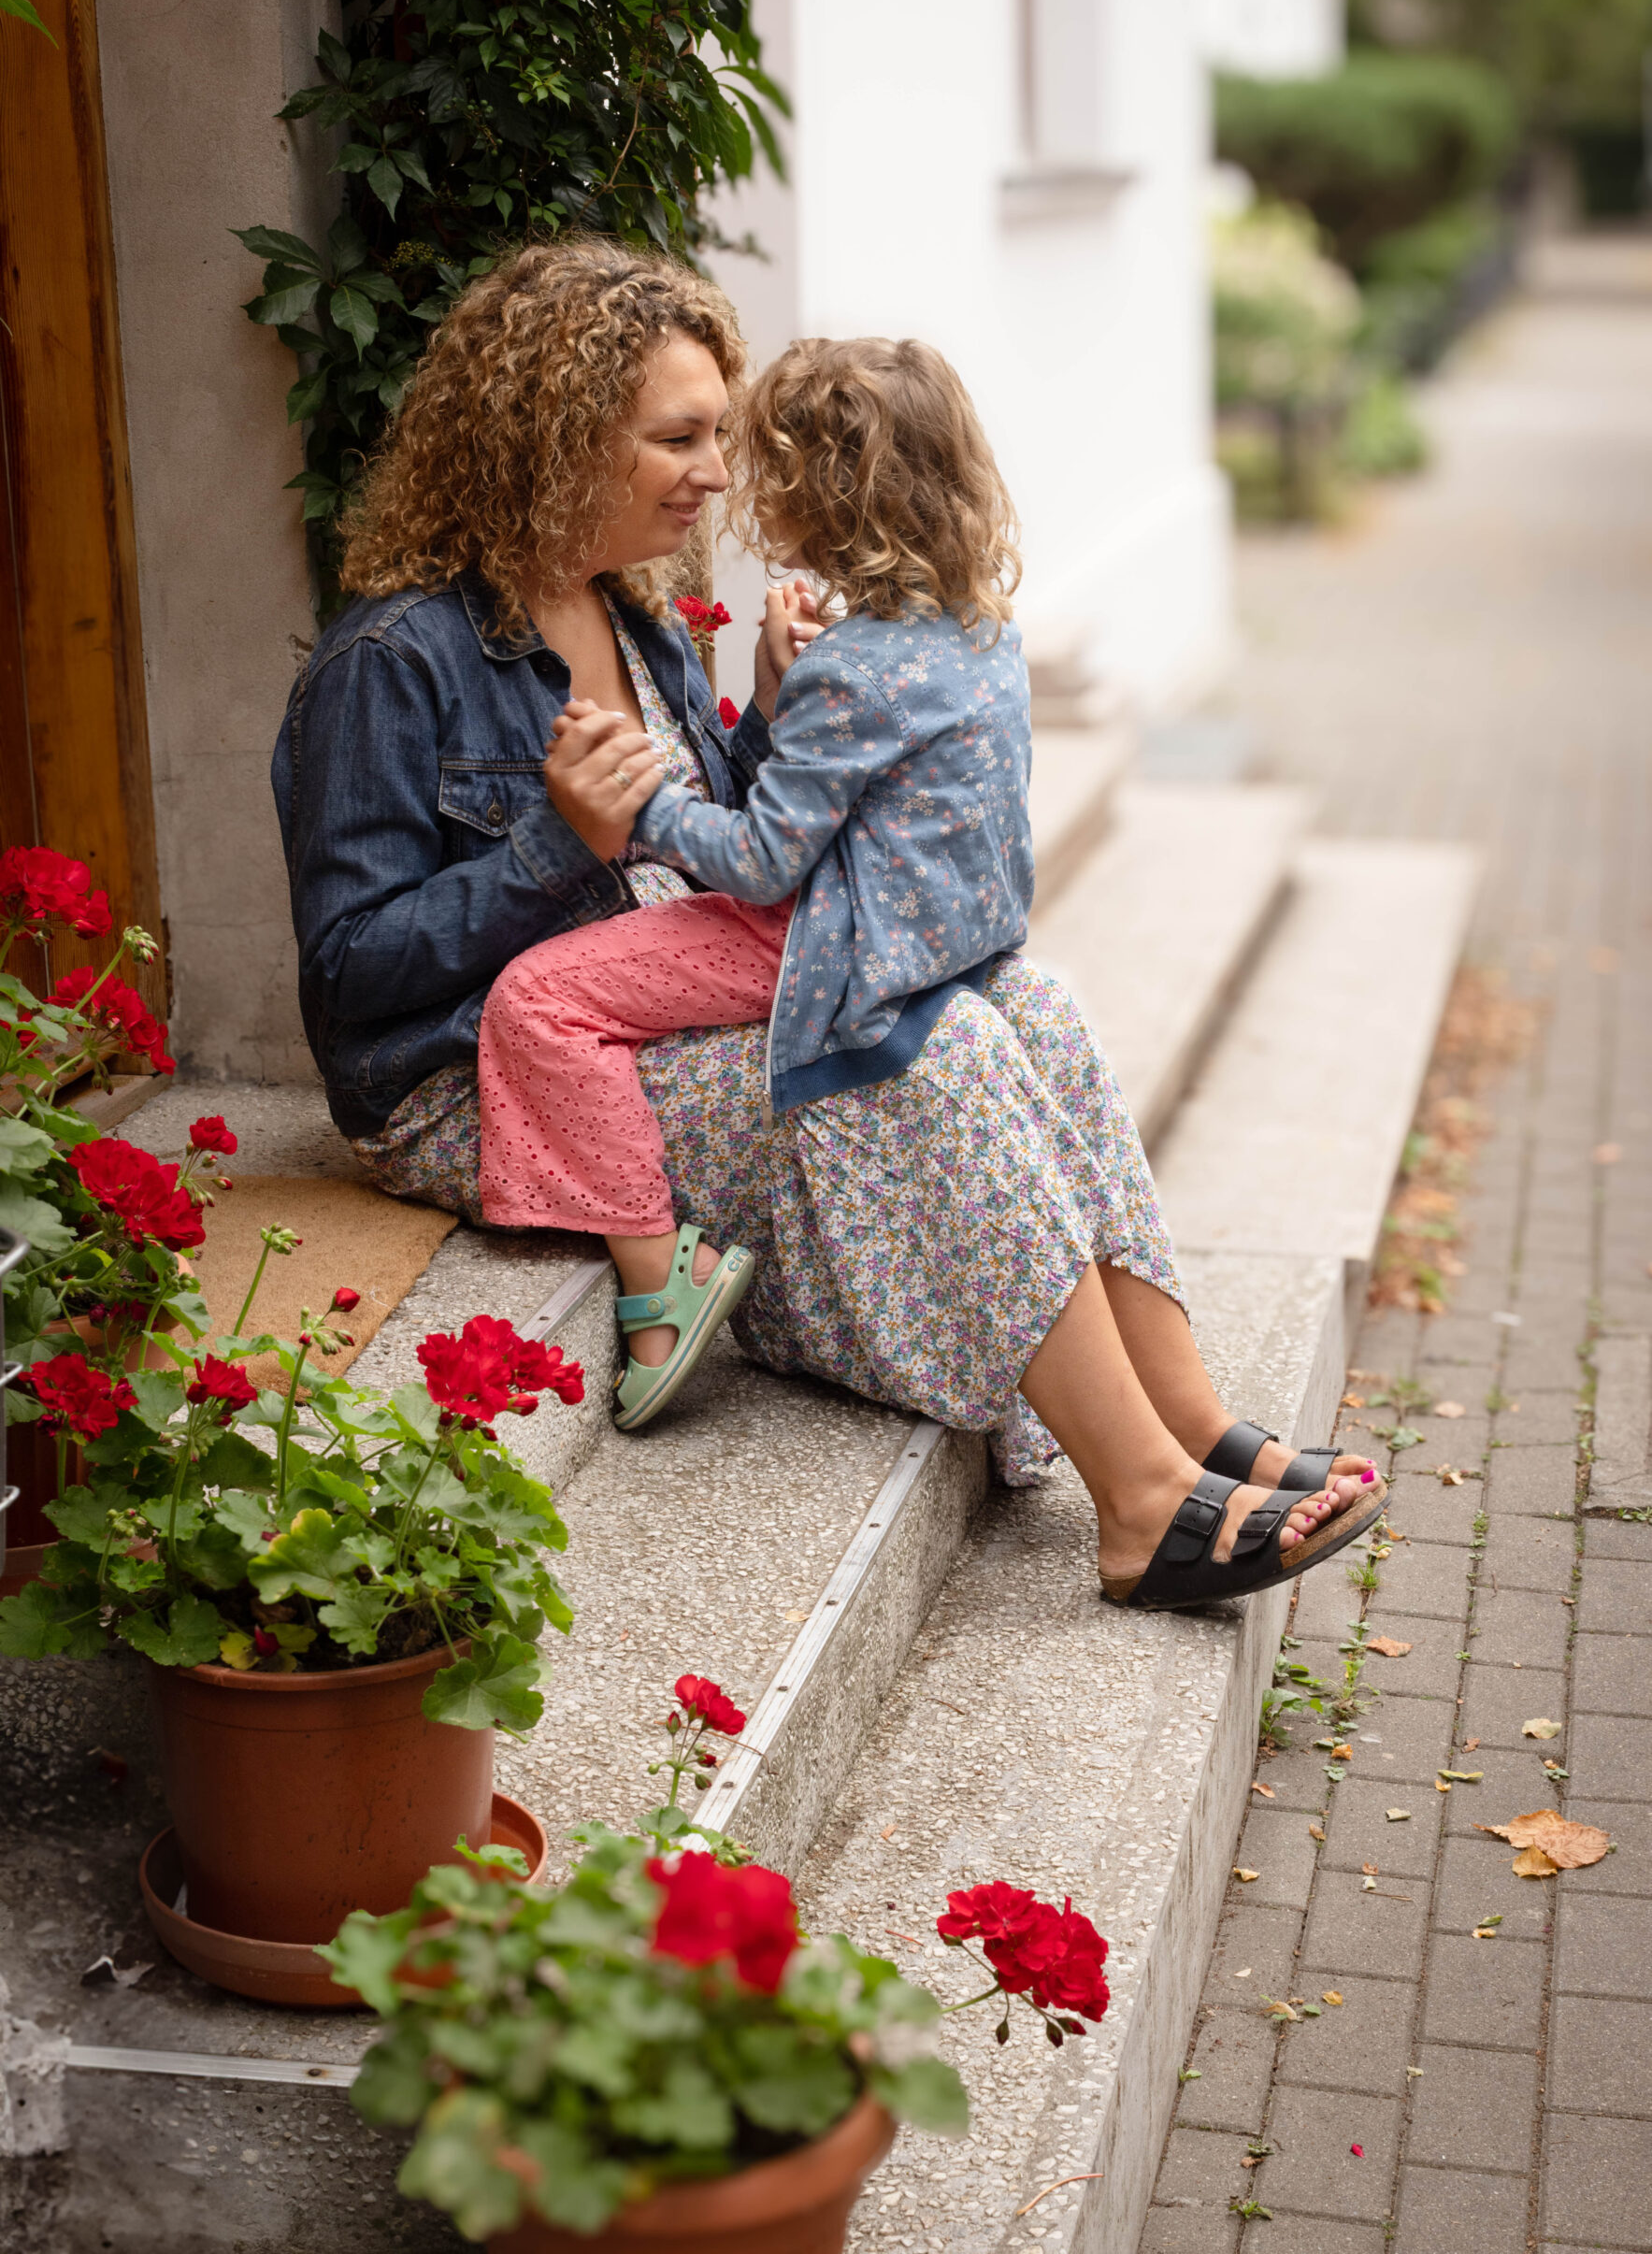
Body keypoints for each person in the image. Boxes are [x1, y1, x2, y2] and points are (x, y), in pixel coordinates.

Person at [271, 238, 1384, 1612]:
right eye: (676, 438)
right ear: (550, 440)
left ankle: (1190, 1419)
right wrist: (556, 842)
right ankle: (1141, 1504)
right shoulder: (392, 662)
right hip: (492, 1074)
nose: (718, 476)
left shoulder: (641, 614)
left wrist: (770, 708)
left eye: (718, 437)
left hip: (672, 997)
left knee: (1024, 1002)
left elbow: (728, 846)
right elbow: (346, 981)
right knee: (933, 1053)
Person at [475, 337, 1039, 1435]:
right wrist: (779, 698)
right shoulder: (978, 633)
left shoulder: (855, 663)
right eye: (694, 439)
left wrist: (637, 808)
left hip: (816, 939)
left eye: (751, 454)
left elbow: (762, 860)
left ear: (823, 491)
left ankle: (654, 1290)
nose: (732, 477)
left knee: (538, 1000)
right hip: (936, 943)